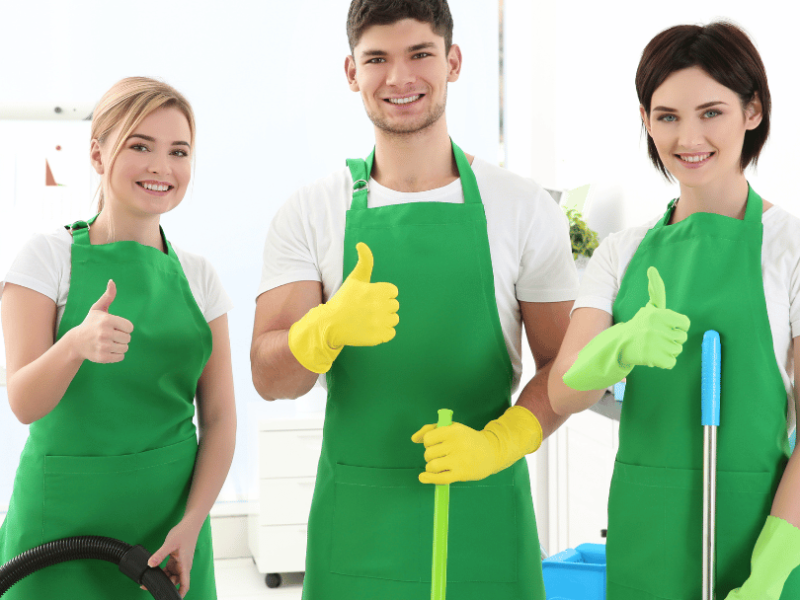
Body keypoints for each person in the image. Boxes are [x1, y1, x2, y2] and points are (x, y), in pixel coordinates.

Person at [250, 1, 578, 598]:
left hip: (485, 513)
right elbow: (272, 380)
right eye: (377, 58)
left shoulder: (525, 208)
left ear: (452, 61)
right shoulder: (310, 212)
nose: (399, 78)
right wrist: (321, 329)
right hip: (357, 529)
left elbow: (564, 368)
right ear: (352, 72)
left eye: (419, 54)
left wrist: (500, 443)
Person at [548, 22, 800, 600]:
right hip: (647, 537)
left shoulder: (789, 249)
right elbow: (563, 393)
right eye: (667, 116)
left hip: (759, 534)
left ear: (753, 112)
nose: (689, 136)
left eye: (711, 112)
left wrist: (771, 571)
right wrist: (618, 348)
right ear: (645, 120)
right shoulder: (622, 252)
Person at [0, 77, 236, 599]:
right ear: (97, 154)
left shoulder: (200, 277)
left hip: (167, 531)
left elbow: (219, 417)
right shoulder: (45, 259)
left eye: (179, 151)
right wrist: (75, 344)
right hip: (59, 523)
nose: (162, 166)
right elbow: (23, 401)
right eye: (140, 145)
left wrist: (193, 522)